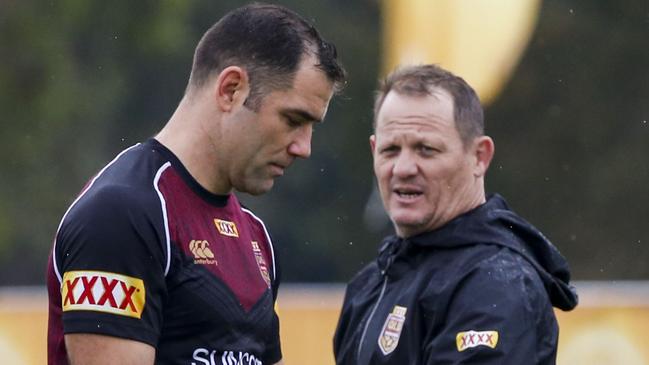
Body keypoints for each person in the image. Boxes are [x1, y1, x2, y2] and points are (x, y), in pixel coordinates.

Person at [46, 3, 345, 364]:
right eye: (293, 118)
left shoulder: (256, 237)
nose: (304, 147)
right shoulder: (122, 215)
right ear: (232, 89)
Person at [333, 64, 577, 364]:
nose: (403, 168)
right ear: (374, 152)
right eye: (391, 150)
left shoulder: (495, 285)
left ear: (479, 157)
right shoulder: (369, 284)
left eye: (426, 149)